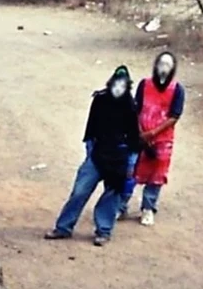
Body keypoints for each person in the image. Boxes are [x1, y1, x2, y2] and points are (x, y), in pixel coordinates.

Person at [44, 66, 141, 246]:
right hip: (97, 155)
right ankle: (63, 228)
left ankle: (103, 231)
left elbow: (134, 138)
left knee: (112, 196)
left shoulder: (130, 106)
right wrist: (90, 153)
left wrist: (129, 164)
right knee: (79, 191)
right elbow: (90, 130)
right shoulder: (100, 100)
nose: (118, 88)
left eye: (122, 84)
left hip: (118, 158)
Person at [118, 52, 185, 226]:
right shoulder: (144, 85)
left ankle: (148, 208)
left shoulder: (177, 89)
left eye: (168, 65)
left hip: (162, 139)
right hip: (139, 136)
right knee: (130, 171)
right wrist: (140, 132)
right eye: (161, 63)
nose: (163, 68)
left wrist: (153, 133)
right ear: (155, 65)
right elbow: (136, 108)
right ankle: (120, 206)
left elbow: (174, 116)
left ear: (173, 69)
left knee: (156, 174)